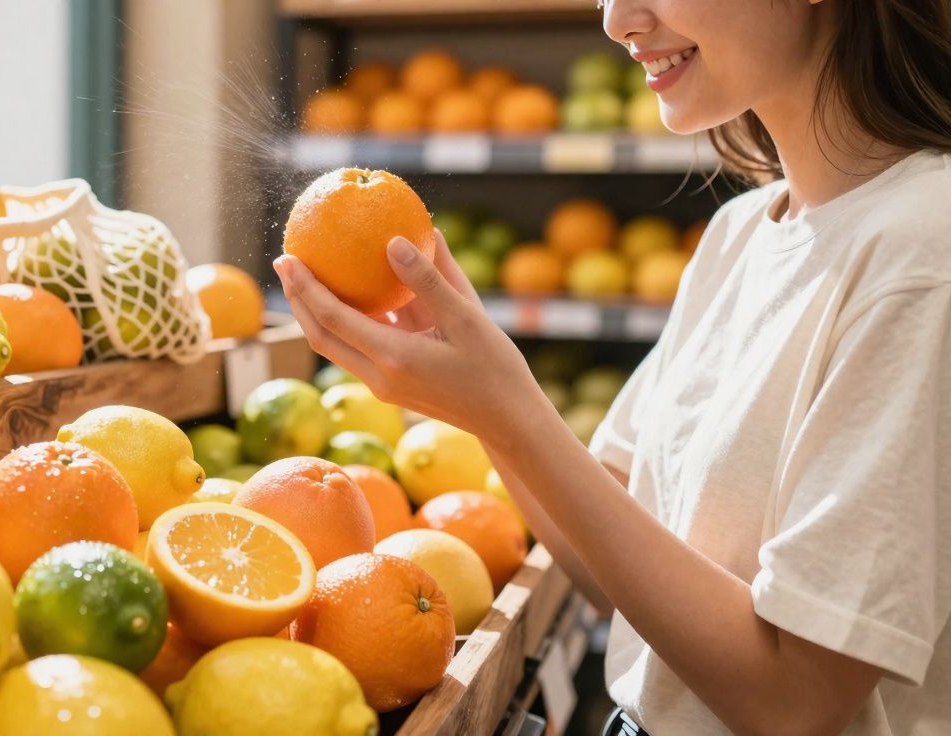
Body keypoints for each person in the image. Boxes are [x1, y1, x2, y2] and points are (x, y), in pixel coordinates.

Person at [273, 1, 951, 734]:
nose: (616, 19)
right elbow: (606, 570)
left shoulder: (923, 255)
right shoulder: (738, 235)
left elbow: (795, 702)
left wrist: (509, 410)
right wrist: (478, 403)